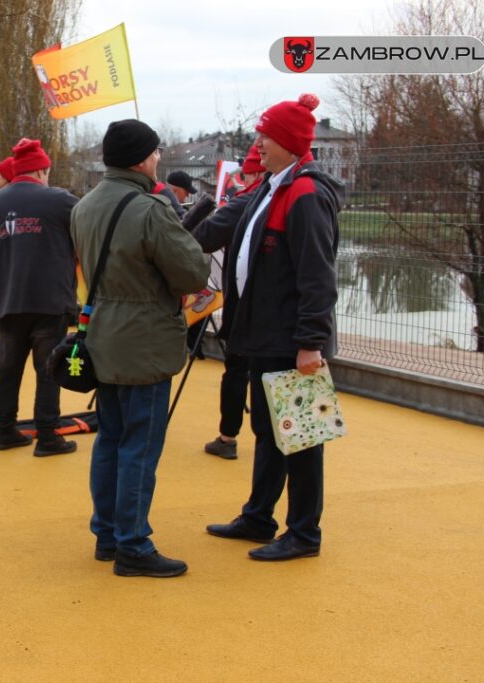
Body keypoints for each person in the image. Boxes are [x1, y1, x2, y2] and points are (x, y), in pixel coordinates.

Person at [205, 94, 343, 561]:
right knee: (267, 429)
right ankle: (259, 516)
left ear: (287, 142)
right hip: (264, 336)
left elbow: (317, 275)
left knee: (302, 437)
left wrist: (311, 343)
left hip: (292, 342)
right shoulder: (270, 187)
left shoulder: (305, 194)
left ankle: (304, 533)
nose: (257, 143)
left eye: (265, 135)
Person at [71, 120, 210, 578]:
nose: (158, 160)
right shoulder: (150, 208)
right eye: (154, 152)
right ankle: (134, 543)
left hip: (103, 336)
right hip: (145, 340)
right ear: (139, 157)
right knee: (141, 445)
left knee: (110, 438)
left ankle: (107, 534)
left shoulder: (85, 205)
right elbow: (191, 272)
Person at [0, 138, 79, 456]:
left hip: (8, 300)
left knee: (6, 368)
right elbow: (88, 241)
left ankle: (3, 431)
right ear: (42, 170)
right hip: (50, 301)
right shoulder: (62, 201)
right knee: (49, 369)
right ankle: (47, 436)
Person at [191, 145, 266, 460]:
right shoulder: (306, 193)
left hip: (246, 307)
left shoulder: (247, 203)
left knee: (237, 370)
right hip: (288, 313)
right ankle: (283, 442)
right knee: (275, 373)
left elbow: (201, 237)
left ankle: (228, 436)